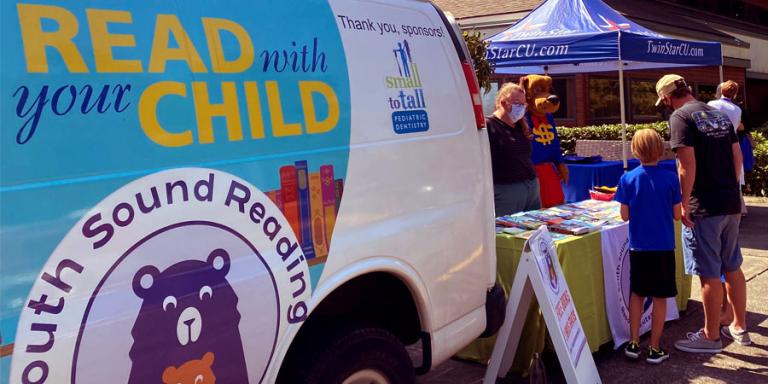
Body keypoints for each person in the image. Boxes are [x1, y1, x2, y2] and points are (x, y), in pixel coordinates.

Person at [654, 74, 751, 354]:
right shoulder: (718, 114)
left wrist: (684, 203)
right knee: (732, 265)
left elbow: (686, 165)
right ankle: (739, 326)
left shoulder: (681, 117)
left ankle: (710, 336)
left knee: (709, 272)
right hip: (730, 201)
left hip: (705, 206)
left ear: (668, 97)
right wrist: (731, 189)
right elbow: (737, 157)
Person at [615, 129, 682, 364]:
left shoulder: (628, 178)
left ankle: (633, 342)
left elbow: (623, 216)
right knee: (660, 297)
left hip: (638, 247)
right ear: (660, 150)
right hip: (663, 246)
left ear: (635, 150)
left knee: (637, 293)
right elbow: (677, 215)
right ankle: (654, 347)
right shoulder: (671, 178)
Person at [707, 80, 744, 328]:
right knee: (731, 260)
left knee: (713, 262)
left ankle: (717, 322)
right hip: (731, 176)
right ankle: (736, 320)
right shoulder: (736, 111)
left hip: (715, 169)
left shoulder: (710, 105)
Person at [487, 83, 541, 216]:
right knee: (505, 232)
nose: (521, 108)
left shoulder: (520, 126)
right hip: (506, 192)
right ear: (503, 103)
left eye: (524, 104)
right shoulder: (489, 126)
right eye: (517, 103)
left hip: (530, 189)